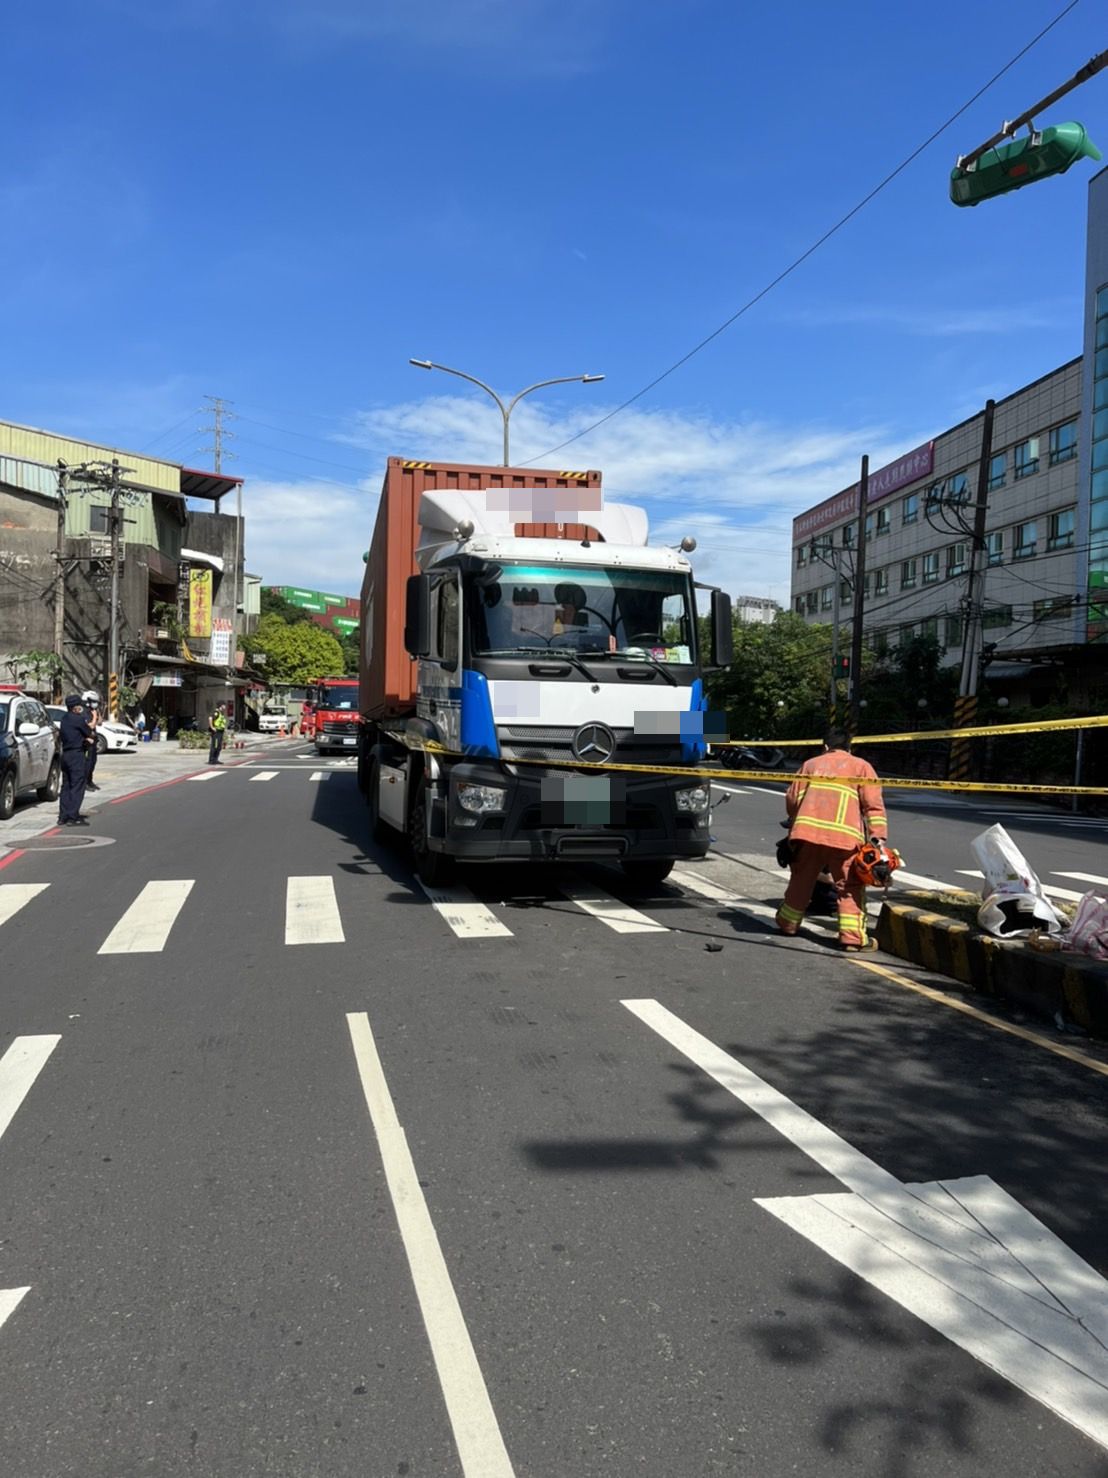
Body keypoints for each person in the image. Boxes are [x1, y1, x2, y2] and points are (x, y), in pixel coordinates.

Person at [775, 727, 888, 952]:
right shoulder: (862, 767)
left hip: (807, 835)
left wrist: (795, 822)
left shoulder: (810, 765)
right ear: (850, 747)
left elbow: (792, 799)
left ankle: (788, 924)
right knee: (849, 886)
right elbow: (873, 806)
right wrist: (878, 838)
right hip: (845, 839)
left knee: (801, 880)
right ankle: (852, 939)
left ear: (825, 746)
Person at [58, 693, 94, 826]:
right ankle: (72, 817)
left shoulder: (64, 719)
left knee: (66, 786)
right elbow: (89, 732)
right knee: (77, 785)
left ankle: (63, 816)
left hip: (65, 755)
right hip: (76, 755)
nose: (81, 708)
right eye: (79, 706)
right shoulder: (78, 719)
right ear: (75, 707)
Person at [81, 690, 102, 791]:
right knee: (87, 763)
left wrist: (97, 714)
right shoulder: (84, 712)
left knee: (93, 762)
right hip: (87, 742)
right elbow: (90, 725)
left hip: (94, 741)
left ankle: (90, 781)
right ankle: (85, 783)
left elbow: (100, 723)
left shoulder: (92, 711)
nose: (95, 703)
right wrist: (94, 717)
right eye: (93, 701)